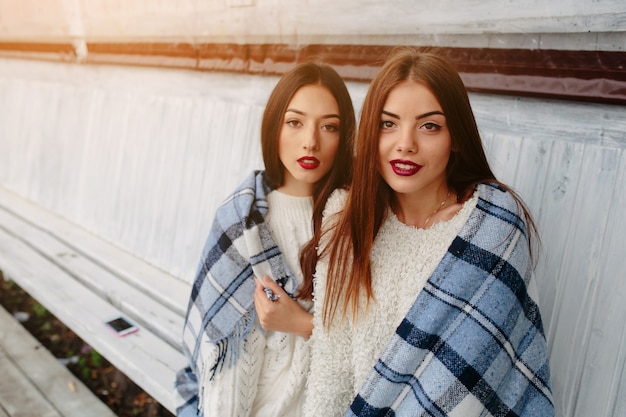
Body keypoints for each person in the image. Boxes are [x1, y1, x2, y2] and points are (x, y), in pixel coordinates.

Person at [303, 48, 554, 417]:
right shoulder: (347, 219)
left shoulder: (490, 230)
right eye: (388, 124)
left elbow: (490, 382)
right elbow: (332, 367)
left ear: (457, 137)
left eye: (429, 125)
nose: (406, 143)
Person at [175, 61, 356, 417]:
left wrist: (303, 325)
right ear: (275, 126)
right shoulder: (243, 220)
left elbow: (370, 336)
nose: (311, 141)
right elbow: (222, 343)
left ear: (344, 135)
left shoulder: (354, 216)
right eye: (295, 122)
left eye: (329, 127)